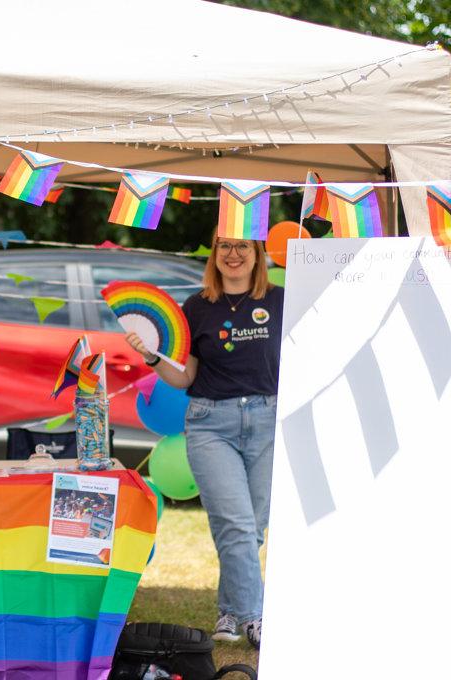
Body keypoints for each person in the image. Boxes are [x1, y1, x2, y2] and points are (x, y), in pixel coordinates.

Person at [126, 230, 283, 650]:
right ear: (214, 254)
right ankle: (255, 617)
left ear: (257, 254)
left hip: (268, 419)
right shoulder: (196, 308)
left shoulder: (281, 300)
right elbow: (185, 377)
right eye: (224, 246)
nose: (233, 254)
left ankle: (230, 611)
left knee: (252, 529)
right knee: (235, 522)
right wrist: (152, 357)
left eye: (242, 246)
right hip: (210, 423)